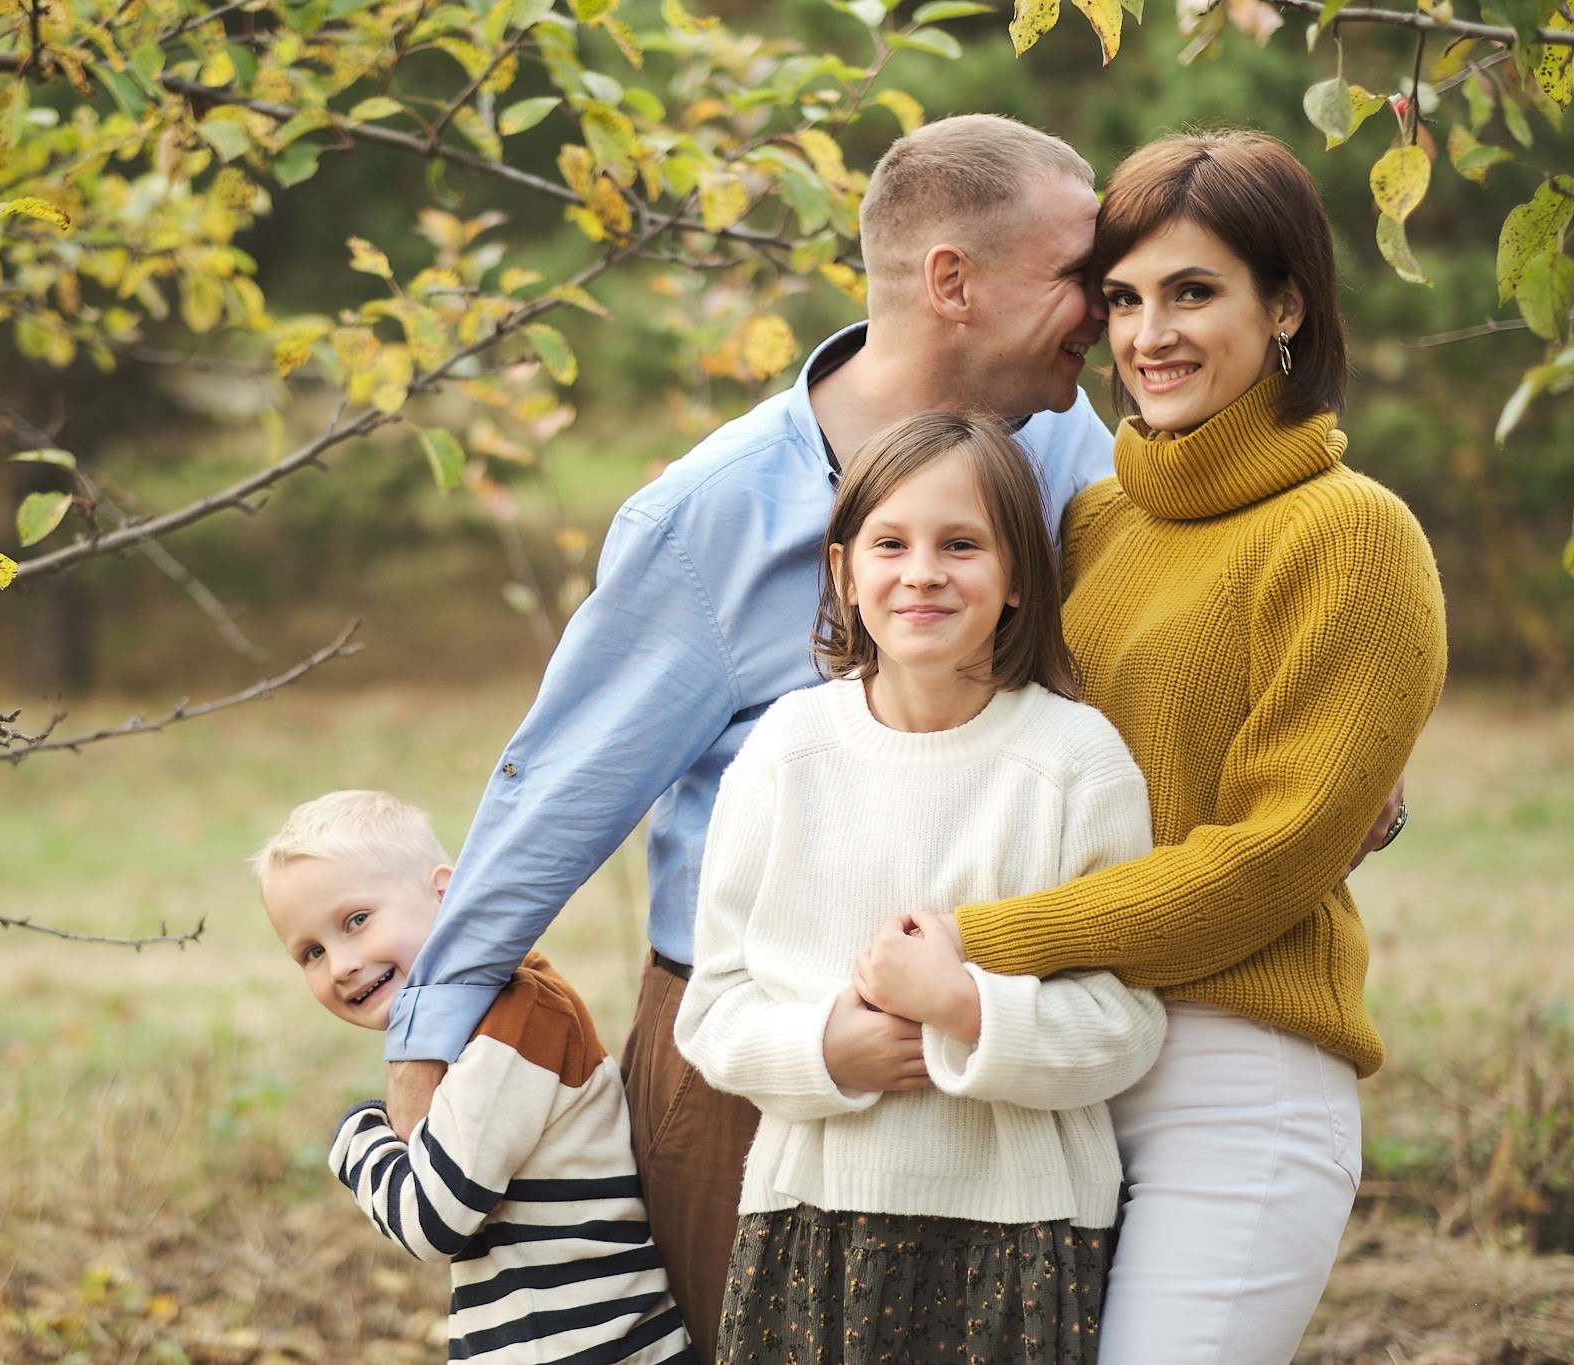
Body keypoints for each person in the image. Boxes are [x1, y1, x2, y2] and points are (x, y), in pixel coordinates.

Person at [383, 113, 1116, 1361]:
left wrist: (1335, 782)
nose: (1104, 312)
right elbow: (561, 783)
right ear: (952, 282)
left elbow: (1146, 676)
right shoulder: (713, 514)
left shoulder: (1067, 453)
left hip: (1005, 1069)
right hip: (749, 1070)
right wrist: (430, 1036)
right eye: (1075, 279)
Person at [865, 132, 1447, 1364]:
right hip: (1049, 1062)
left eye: (1194, 292)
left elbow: (1267, 860)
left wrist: (980, 944)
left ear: (1285, 303)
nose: (1148, 336)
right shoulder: (1090, 521)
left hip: (1235, 1074)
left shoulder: (1350, 535)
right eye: (1122, 299)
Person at [675, 411, 1167, 1362]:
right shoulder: (785, 751)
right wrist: (829, 1050)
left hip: (1021, 1232)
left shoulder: (1076, 761)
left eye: (962, 544)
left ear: (1020, 574)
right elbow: (714, 1010)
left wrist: (967, 1008)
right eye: (891, 542)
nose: (924, 571)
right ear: (842, 569)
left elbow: (1125, 1023)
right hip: (815, 1217)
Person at [252, 790, 693, 1365]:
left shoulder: (519, 1021)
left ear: (445, 891)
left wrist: (356, 1135)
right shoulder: (478, 1029)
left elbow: (431, 1220)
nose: (341, 965)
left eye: (356, 921)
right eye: (310, 952)